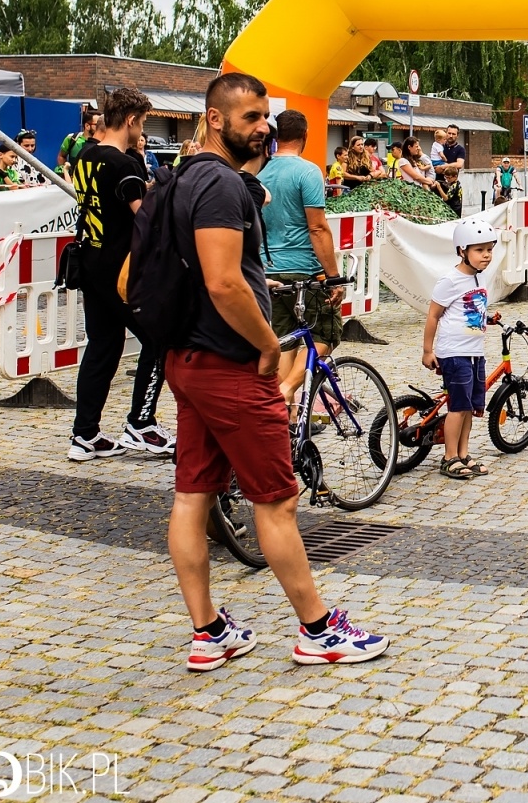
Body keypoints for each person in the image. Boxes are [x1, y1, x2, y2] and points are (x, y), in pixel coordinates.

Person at [164, 72, 387, 670]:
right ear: (216, 119)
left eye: (266, 117)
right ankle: (317, 629)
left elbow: (132, 280)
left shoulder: (176, 178)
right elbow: (223, 281)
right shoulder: (219, 185)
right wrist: (266, 345)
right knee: (277, 501)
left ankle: (209, 632)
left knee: (192, 494)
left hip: (187, 359)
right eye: (252, 117)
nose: (263, 127)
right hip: (230, 364)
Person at [68, 87, 171, 461]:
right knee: (160, 342)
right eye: (142, 123)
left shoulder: (85, 156)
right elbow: (144, 216)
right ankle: (140, 423)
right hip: (123, 271)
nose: (141, 131)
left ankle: (86, 434)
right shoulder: (122, 164)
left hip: (91, 263)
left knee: (103, 347)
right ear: (130, 120)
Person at [260, 110, 344, 406]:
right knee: (328, 331)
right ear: (304, 136)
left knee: (285, 339)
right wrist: (333, 276)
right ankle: (286, 393)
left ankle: (288, 414)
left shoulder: (260, 171)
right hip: (304, 271)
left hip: (269, 270)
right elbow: (317, 227)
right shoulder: (308, 172)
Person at [422, 218, 500, 480]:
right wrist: (427, 351)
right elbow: (433, 316)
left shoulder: (480, 278)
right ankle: (449, 457)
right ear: (462, 251)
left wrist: (486, 317)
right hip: (454, 353)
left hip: (475, 351)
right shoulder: (450, 280)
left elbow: (469, 309)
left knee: (469, 405)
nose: (486, 255)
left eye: (489, 249)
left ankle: (464, 453)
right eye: (479, 250)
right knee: (457, 406)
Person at [59, 108, 100, 180]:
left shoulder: (103, 142)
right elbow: (61, 156)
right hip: (73, 182)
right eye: (97, 125)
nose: (101, 127)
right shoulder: (71, 138)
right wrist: (65, 173)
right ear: (87, 126)